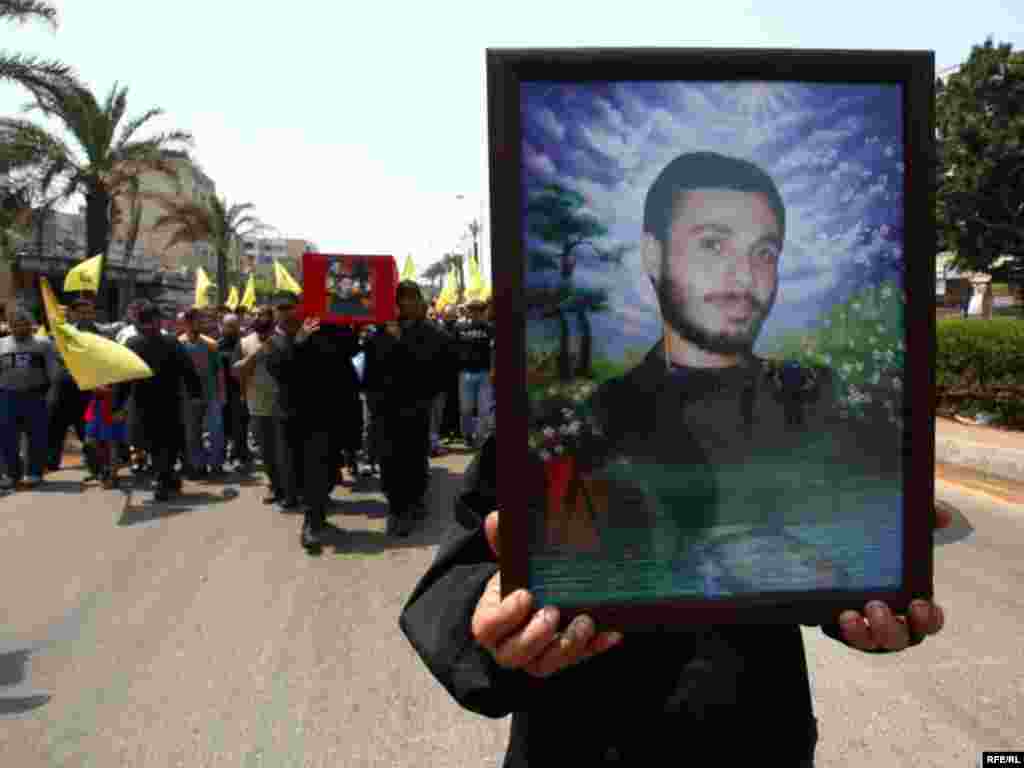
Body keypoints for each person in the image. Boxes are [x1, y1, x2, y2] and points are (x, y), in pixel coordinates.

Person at [399, 151, 944, 765]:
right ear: (652, 255)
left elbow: (832, 569)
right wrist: (491, 616)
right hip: (580, 746)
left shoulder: (820, 411)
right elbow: (462, 568)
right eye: (713, 244)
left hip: (757, 741)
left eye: (764, 252)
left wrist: (878, 589)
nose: (744, 278)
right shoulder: (569, 422)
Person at [363, 281, 454, 536]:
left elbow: (439, 370)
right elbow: (372, 371)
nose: (405, 304)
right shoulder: (379, 333)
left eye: (411, 298)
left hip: (416, 409)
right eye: (401, 299)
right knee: (389, 460)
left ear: (420, 302)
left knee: (413, 458)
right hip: (386, 410)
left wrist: (400, 342)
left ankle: (414, 502)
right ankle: (397, 508)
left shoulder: (434, 335)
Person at [264, 293, 354, 550]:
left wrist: (340, 321)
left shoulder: (318, 333)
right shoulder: (274, 342)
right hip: (291, 418)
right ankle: (313, 520)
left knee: (318, 471)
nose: (287, 312)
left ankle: (313, 521)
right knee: (298, 473)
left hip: (320, 417)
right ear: (275, 312)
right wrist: (299, 342)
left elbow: (344, 352)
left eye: (291, 307)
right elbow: (282, 371)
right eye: (281, 308)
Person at [114, 302, 201, 501]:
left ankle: (166, 478)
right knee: (167, 443)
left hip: (143, 402)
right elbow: (188, 370)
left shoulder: (132, 344)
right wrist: (195, 394)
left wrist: (118, 404)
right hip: (168, 402)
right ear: (156, 320)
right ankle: (166, 479)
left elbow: (123, 378)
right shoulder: (171, 342)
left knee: (154, 444)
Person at [0, 305, 59, 489]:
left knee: (36, 437)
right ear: (10, 326)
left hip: (36, 395)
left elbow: (53, 372)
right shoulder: (2, 344)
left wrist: (51, 394)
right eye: (16, 325)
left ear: (30, 325)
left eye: (23, 324)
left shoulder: (43, 344)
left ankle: (33, 473)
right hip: (7, 396)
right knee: (7, 437)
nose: (20, 328)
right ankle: (11, 474)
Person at [233, 305, 284, 504]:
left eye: (263, 316)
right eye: (255, 316)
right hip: (257, 404)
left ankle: (290, 487)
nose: (259, 319)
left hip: (284, 403)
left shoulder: (283, 339)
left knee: (285, 448)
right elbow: (236, 371)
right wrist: (255, 355)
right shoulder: (245, 343)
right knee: (267, 450)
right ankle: (274, 485)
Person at [178, 308, 227, 478]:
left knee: (216, 431)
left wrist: (222, 394)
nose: (201, 324)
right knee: (192, 433)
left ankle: (216, 465)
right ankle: (198, 466)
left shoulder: (210, 344)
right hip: (189, 396)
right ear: (187, 323)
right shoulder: (179, 344)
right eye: (197, 321)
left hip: (211, 394)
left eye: (201, 321)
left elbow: (219, 371)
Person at [218, 313, 251, 471]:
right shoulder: (217, 345)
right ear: (222, 326)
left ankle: (240, 456)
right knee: (224, 425)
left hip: (240, 391)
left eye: (234, 325)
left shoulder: (244, 345)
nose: (231, 329)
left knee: (240, 425)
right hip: (223, 392)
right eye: (228, 325)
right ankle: (224, 455)